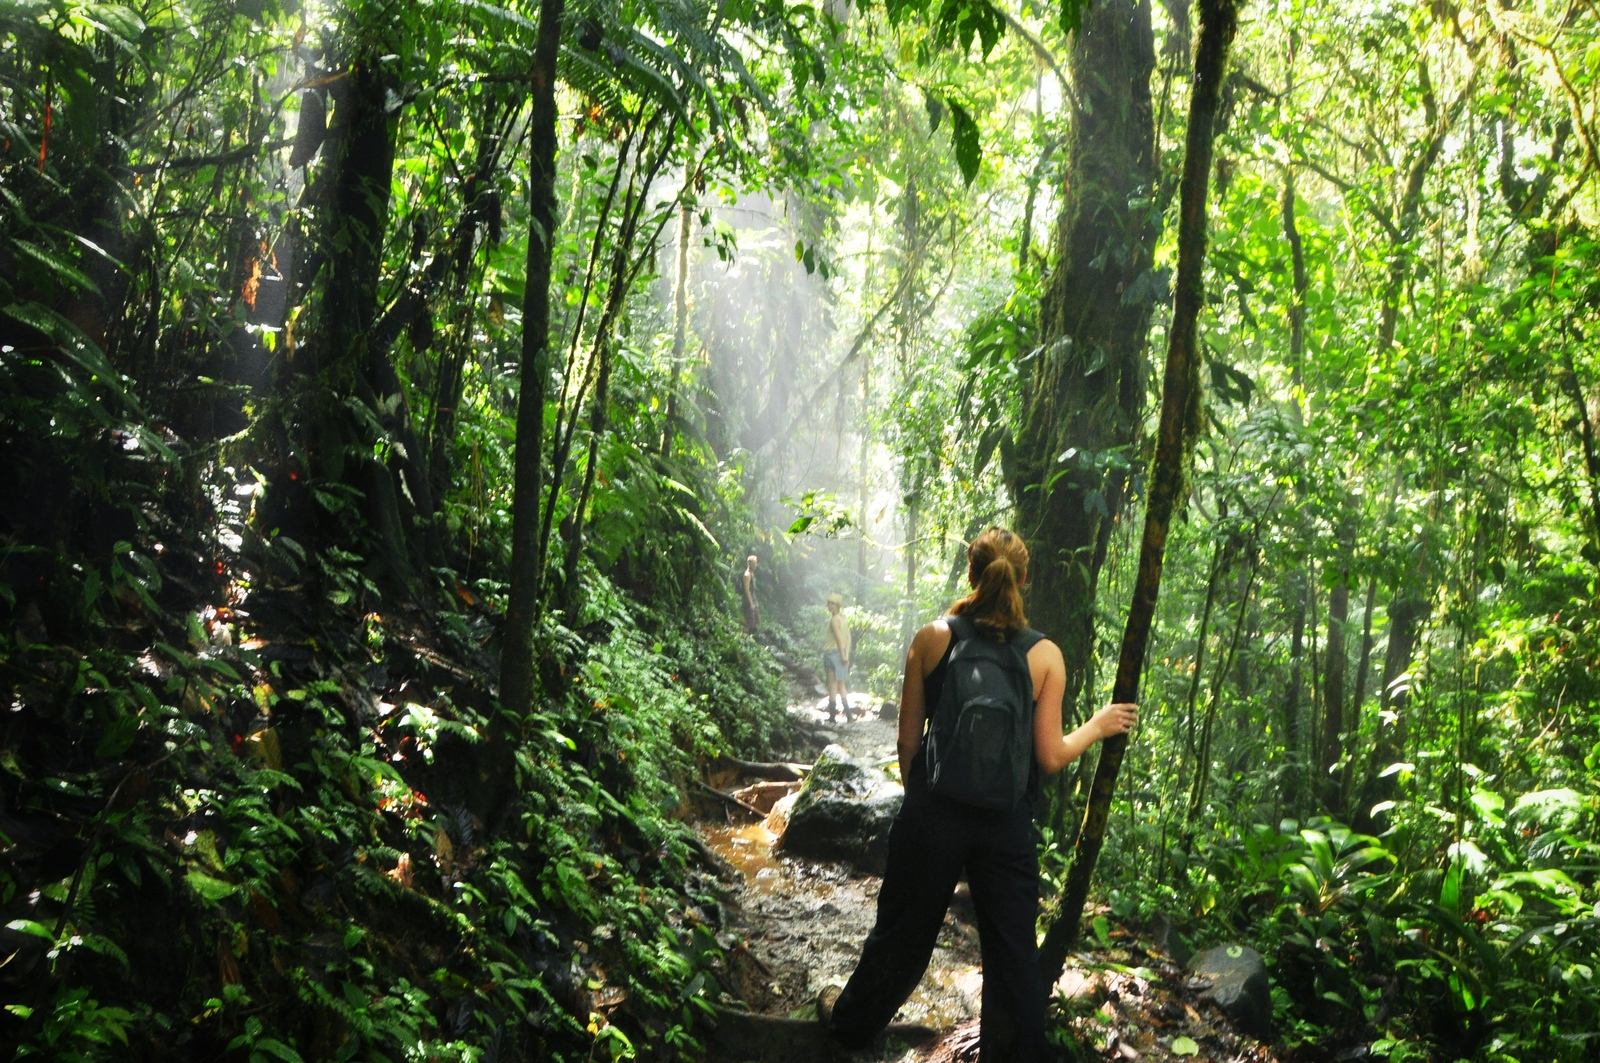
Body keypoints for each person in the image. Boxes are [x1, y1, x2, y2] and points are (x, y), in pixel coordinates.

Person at [822, 527, 1138, 1061]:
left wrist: (924, 802)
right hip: (1006, 826)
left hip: (933, 815)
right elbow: (1051, 758)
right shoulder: (1045, 657)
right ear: (1025, 581)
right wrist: (1100, 725)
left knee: (901, 938)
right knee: (1012, 955)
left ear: (971, 574)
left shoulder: (930, 638)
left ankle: (849, 1031)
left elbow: (906, 740)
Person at [822, 592, 852, 722]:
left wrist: (843, 654)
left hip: (832, 654)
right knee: (841, 685)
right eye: (829, 603)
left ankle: (832, 717)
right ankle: (849, 716)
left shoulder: (834, 620)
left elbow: (840, 639)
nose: (829, 606)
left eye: (832, 603)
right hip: (841, 654)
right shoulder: (843, 619)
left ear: (838, 605)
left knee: (832, 685)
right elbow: (848, 638)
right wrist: (846, 654)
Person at [741, 554, 759, 632]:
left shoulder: (752, 573)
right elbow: (746, 589)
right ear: (749, 564)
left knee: (756, 621)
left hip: (753, 600)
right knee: (749, 623)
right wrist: (751, 603)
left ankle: (752, 638)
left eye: (756, 563)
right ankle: (743, 638)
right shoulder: (747, 575)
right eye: (754, 563)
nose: (756, 565)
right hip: (748, 602)